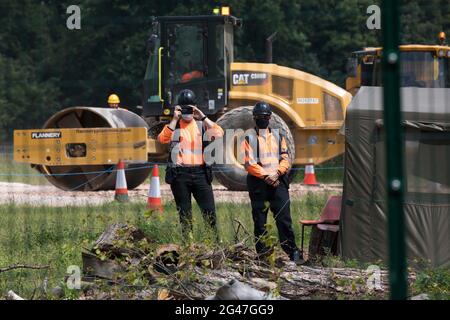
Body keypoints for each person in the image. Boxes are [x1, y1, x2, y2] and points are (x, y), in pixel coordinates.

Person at [158, 89, 223, 241]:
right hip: (180, 175)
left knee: (209, 213)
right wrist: (174, 119)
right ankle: (189, 245)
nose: (187, 112)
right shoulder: (174, 126)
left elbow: (219, 133)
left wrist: (203, 117)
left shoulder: (201, 125)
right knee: (185, 215)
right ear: (178, 108)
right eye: (183, 108)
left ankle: (214, 243)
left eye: (190, 108)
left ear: (195, 108)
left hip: (201, 174)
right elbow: (162, 139)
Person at [243, 101, 303, 264]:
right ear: (254, 118)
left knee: (284, 221)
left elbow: (285, 159)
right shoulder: (248, 137)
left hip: (278, 184)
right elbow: (249, 163)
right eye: (258, 117)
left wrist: (276, 174)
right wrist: (266, 177)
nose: (261, 119)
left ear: (270, 118)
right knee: (260, 223)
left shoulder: (279, 136)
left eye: (264, 117)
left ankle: (293, 253)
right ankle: (263, 256)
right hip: (259, 185)